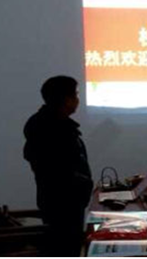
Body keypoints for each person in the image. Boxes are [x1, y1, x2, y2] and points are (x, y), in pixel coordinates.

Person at [24, 76, 93, 256]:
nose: (78, 100)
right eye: (75, 95)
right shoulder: (49, 126)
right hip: (63, 202)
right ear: (65, 99)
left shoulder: (51, 123)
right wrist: (83, 183)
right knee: (65, 248)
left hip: (65, 200)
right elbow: (58, 169)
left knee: (69, 246)